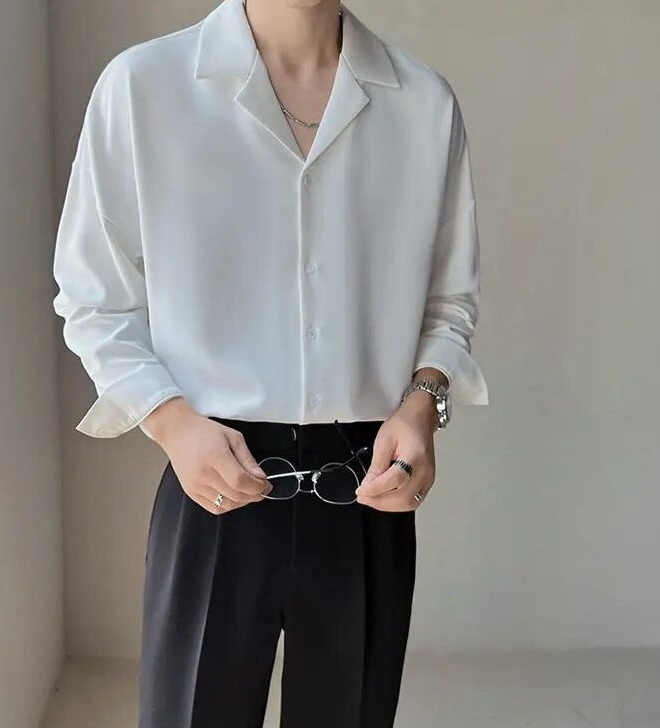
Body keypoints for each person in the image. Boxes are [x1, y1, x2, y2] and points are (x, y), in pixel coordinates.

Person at [51, 0, 489, 725]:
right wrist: (171, 424)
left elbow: (448, 302)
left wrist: (422, 407)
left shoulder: (423, 103)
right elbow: (93, 297)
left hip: (366, 487)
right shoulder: (143, 87)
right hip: (212, 477)